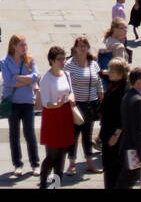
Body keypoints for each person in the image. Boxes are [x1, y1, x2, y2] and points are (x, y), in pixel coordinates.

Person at [1, 34, 40, 173]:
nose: (24, 47)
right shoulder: (5, 61)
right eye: (21, 45)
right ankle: (17, 164)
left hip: (28, 101)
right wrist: (27, 80)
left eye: (25, 44)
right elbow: (8, 81)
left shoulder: (30, 60)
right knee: (14, 133)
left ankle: (35, 164)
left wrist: (18, 78)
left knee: (30, 133)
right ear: (13, 46)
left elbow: (36, 77)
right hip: (13, 101)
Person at [64, 36, 103, 176]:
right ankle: (72, 164)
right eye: (80, 45)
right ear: (75, 48)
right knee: (74, 134)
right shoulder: (69, 64)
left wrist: (101, 96)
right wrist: (70, 97)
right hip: (76, 104)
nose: (82, 48)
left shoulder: (93, 64)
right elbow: (66, 83)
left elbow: (98, 82)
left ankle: (89, 163)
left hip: (91, 103)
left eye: (85, 45)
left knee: (88, 134)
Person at [38, 45, 75, 190]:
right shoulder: (46, 78)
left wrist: (71, 98)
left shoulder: (66, 74)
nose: (63, 61)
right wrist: (56, 104)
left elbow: (70, 91)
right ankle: (43, 184)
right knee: (52, 155)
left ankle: (56, 186)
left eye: (64, 58)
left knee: (62, 154)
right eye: (59, 59)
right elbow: (45, 102)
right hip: (53, 116)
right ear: (52, 60)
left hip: (65, 114)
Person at [97, 59, 128, 189]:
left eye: (112, 71)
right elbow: (103, 74)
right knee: (108, 167)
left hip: (116, 135)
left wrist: (116, 134)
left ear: (120, 74)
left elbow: (124, 116)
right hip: (107, 130)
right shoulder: (114, 82)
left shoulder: (124, 90)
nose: (108, 73)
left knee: (114, 167)